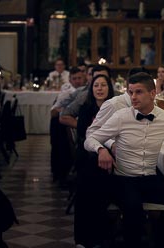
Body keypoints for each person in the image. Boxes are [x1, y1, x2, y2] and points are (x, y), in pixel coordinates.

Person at [84, 72, 164, 248]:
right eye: (130, 92)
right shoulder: (121, 117)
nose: (133, 97)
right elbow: (90, 138)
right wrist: (100, 150)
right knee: (133, 208)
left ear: (152, 94)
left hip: (151, 177)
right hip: (124, 179)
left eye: (138, 92)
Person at [74, 74, 115, 248]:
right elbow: (84, 136)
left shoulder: (116, 109)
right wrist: (100, 148)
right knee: (88, 181)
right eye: (96, 85)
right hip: (88, 152)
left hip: (110, 154)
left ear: (109, 88)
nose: (99, 88)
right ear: (91, 89)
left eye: (103, 85)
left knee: (95, 182)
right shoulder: (85, 108)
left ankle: (98, 235)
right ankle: (83, 238)